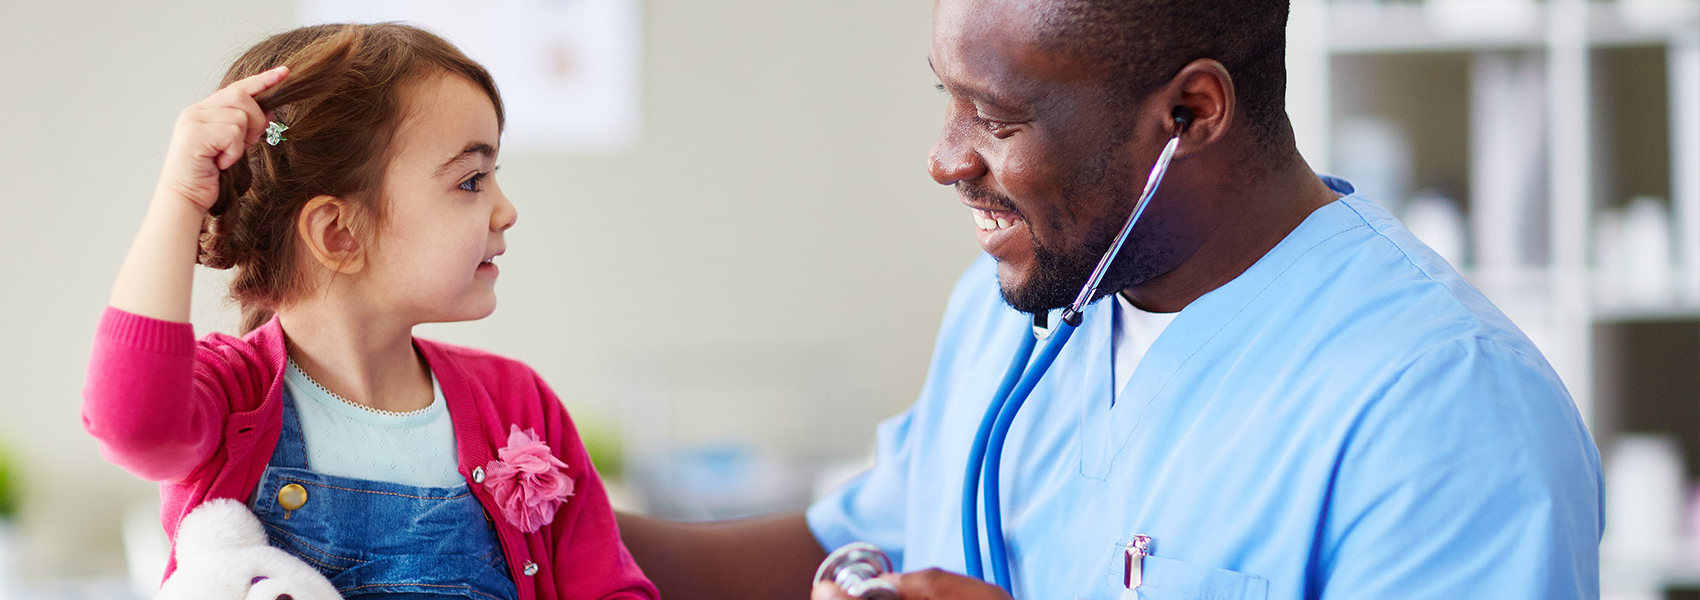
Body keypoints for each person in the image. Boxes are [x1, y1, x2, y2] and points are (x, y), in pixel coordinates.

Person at [616, 0, 1603, 599]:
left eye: (996, 117)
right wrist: (510, 498)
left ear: (1190, 113)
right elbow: (839, 552)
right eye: (946, 97)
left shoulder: (1447, 414)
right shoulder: (1017, 308)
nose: (945, 158)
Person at [82, 23, 656, 600]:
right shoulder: (232, 396)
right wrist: (181, 197)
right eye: (471, 181)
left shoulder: (517, 403)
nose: (506, 211)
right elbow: (132, 424)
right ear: (338, 233)